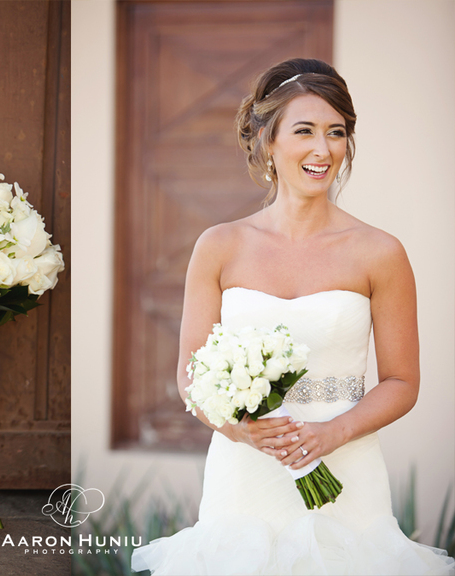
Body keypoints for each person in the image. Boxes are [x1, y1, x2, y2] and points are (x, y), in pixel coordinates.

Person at [130, 58, 455, 575]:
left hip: (348, 472)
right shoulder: (219, 246)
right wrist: (240, 431)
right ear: (267, 140)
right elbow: (191, 375)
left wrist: (334, 433)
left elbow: (402, 382)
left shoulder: (380, 252)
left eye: (336, 132)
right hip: (245, 476)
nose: (322, 149)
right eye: (304, 131)